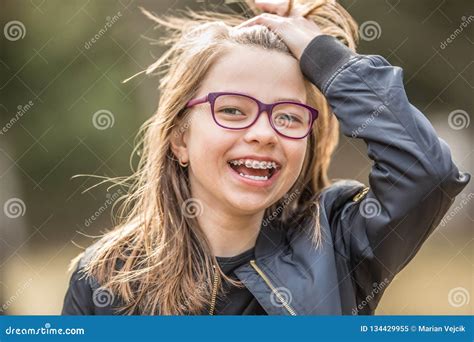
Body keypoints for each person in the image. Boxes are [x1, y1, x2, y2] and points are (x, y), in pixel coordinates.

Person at [61, 0, 470, 315]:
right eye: (233, 110)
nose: (263, 133)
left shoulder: (336, 245)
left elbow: (425, 171)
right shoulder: (106, 279)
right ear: (179, 139)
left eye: (288, 117)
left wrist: (320, 53)